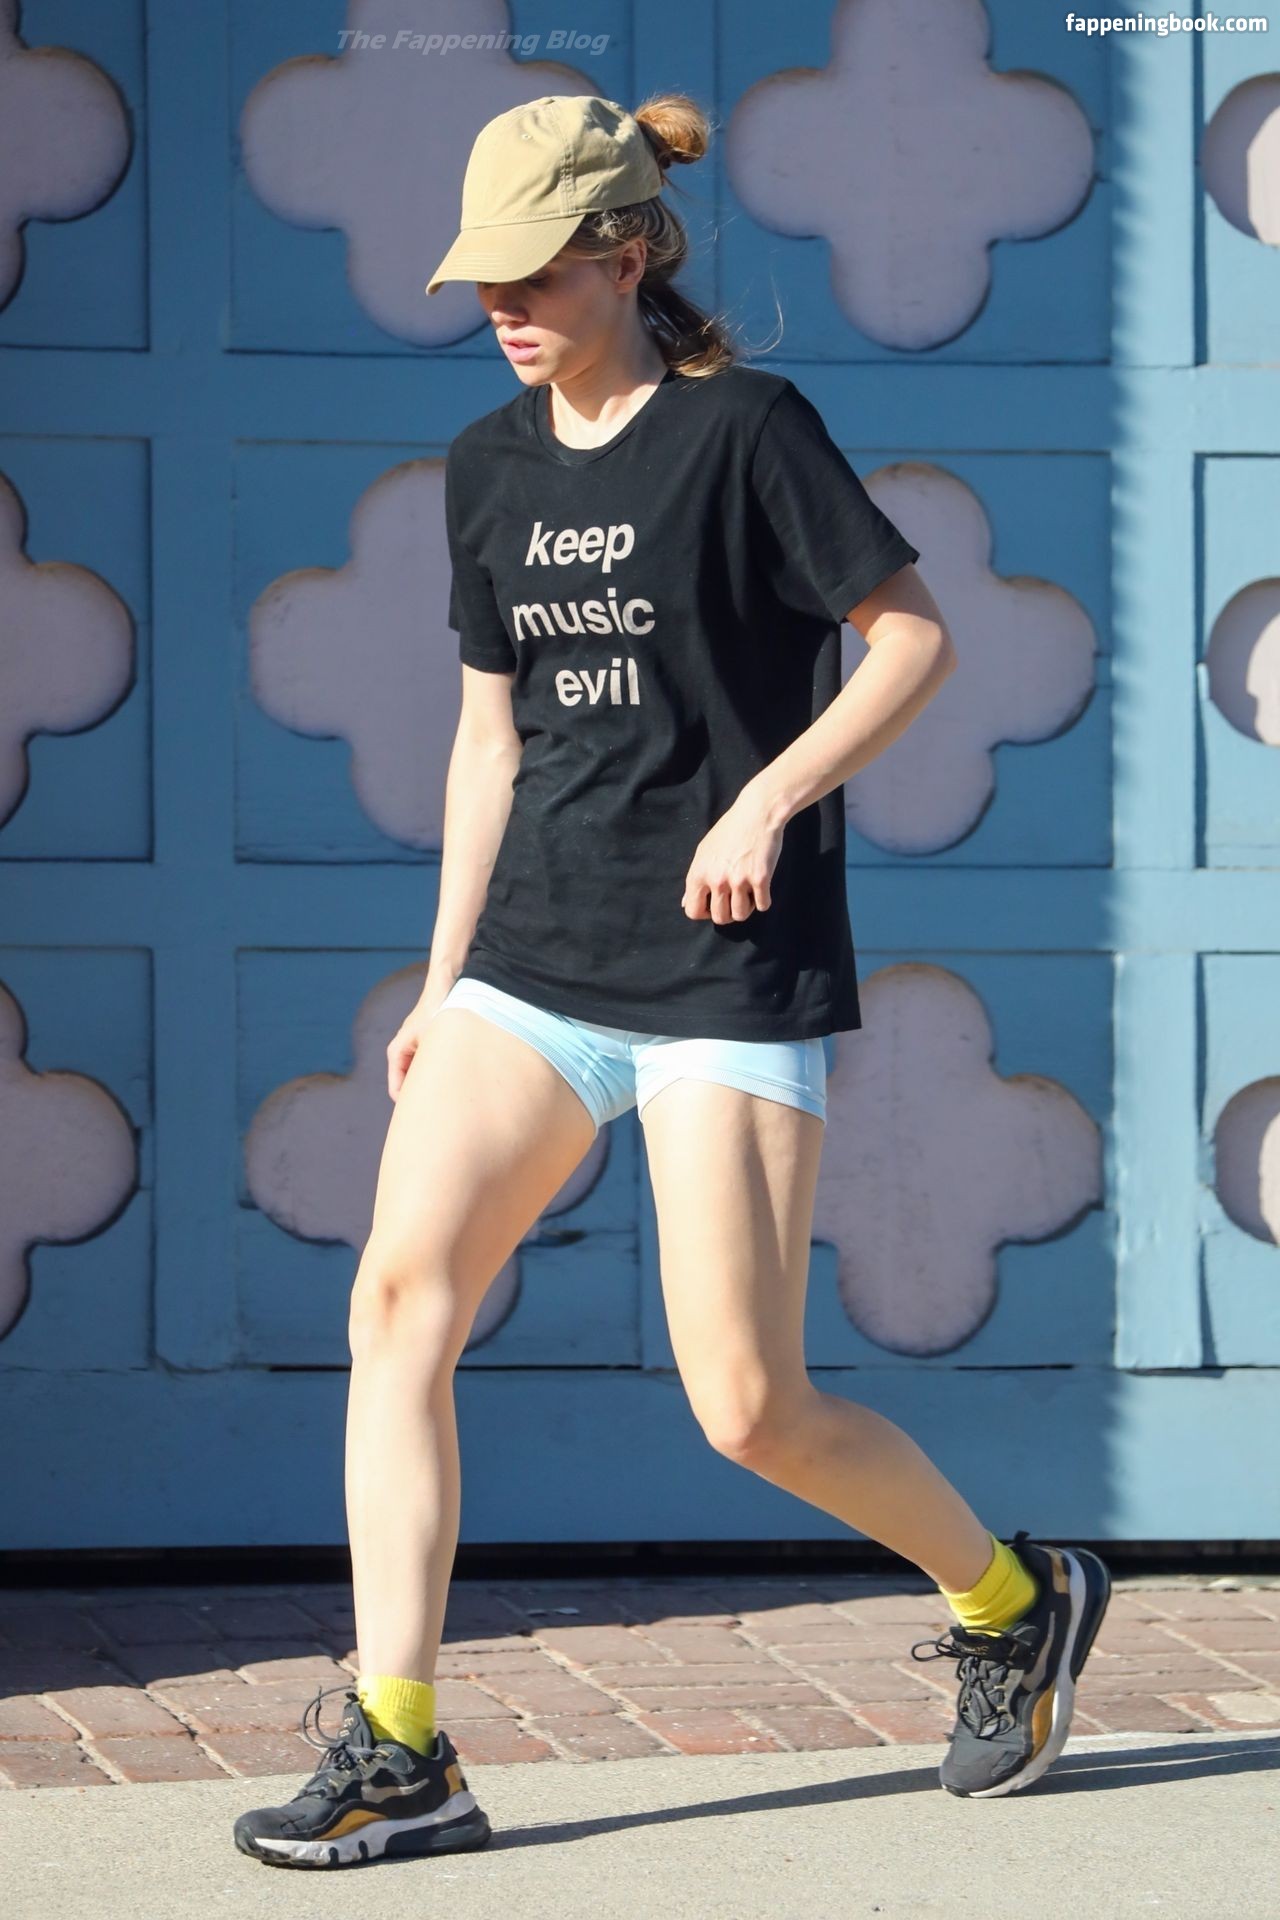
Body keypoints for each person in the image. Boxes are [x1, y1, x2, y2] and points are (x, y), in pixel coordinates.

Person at [233, 91, 1111, 1871]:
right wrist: (442, 979)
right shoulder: (486, 464)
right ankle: (404, 1749)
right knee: (398, 1304)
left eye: (537, 272)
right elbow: (491, 742)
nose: (503, 306)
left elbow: (912, 641)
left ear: (628, 253)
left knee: (748, 1409)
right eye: (486, 277)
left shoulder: (747, 431)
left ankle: (1013, 1600)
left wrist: (771, 798)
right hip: (536, 965)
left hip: (725, 972)